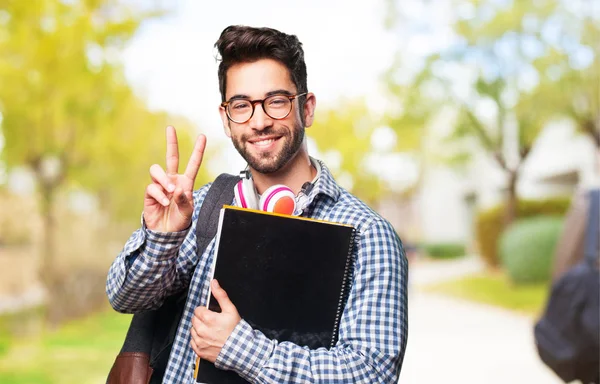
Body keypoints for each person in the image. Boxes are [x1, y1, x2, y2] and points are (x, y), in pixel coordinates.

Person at [106, 25, 408, 383]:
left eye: (277, 101)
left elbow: (371, 374)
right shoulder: (201, 209)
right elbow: (126, 298)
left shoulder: (369, 235)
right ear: (225, 118)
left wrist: (240, 347)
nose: (260, 121)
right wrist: (161, 237)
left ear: (306, 109)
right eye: (242, 106)